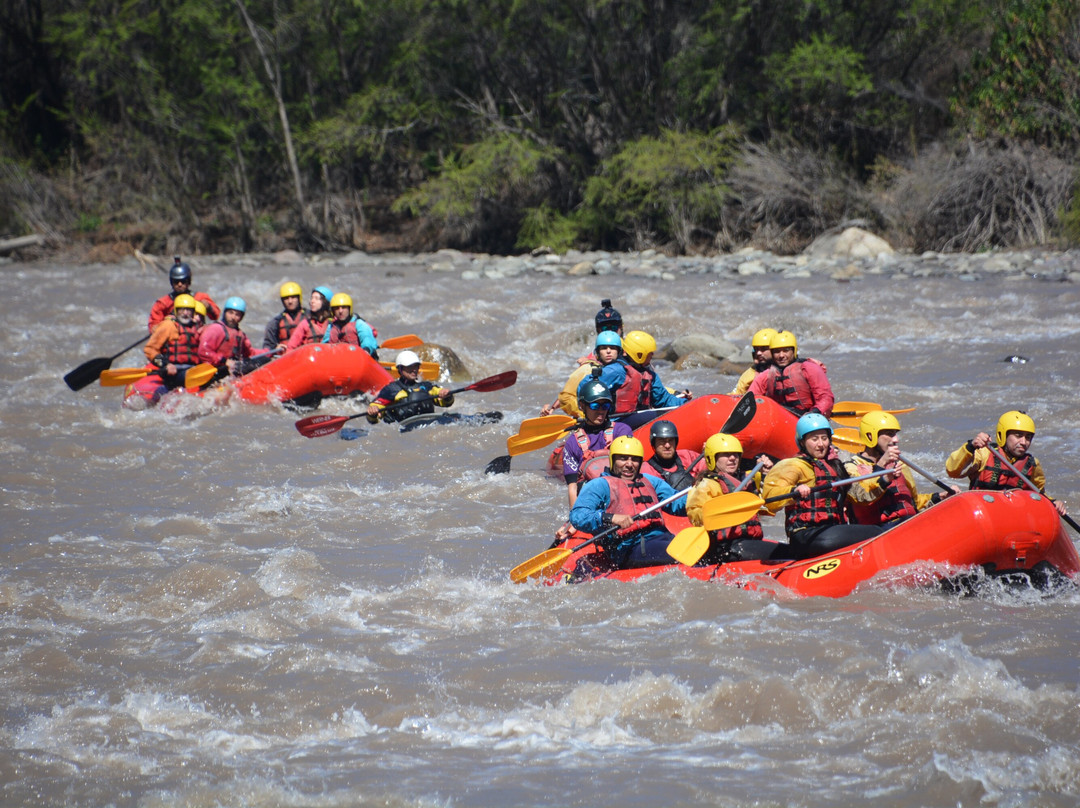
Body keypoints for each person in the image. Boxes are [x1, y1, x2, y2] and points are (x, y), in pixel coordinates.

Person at [760, 413, 884, 559]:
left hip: (832, 530)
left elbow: (859, 497)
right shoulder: (793, 465)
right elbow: (771, 497)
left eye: (824, 438)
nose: (821, 444)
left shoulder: (835, 466)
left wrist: (885, 480)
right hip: (805, 535)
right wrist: (794, 491)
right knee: (877, 533)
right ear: (802, 442)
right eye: (814, 439)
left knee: (878, 531)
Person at [567, 436, 688, 572]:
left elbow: (678, 502)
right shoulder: (599, 485)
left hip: (662, 537)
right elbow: (578, 516)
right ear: (613, 460)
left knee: (703, 548)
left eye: (635, 459)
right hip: (629, 547)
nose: (630, 464)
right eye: (623, 458)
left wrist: (700, 497)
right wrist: (611, 518)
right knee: (685, 554)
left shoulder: (650, 481)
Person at [844, 411, 958, 525]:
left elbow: (914, 503)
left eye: (895, 434)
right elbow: (862, 496)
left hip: (904, 525)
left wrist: (940, 497)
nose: (896, 439)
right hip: (875, 532)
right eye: (889, 434)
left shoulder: (899, 465)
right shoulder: (851, 467)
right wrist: (882, 463)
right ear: (870, 436)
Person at [946, 411, 1068, 515]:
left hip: (1010, 517)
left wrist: (1054, 503)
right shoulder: (984, 454)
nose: (1024, 442)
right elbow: (953, 470)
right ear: (1002, 435)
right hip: (981, 513)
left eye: (1028, 437)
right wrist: (971, 446)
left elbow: (1039, 494)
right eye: (1018, 436)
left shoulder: (1032, 464)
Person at [685, 433, 778, 563]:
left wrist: (768, 473)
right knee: (784, 552)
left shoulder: (747, 479)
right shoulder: (706, 485)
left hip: (747, 542)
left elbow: (772, 500)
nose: (732, 458)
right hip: (726, 548)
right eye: (726, 454)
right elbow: (696, 516)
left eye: (735, 454)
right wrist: (721, 510)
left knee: (787, 550)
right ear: (713, 458)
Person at [561, 376, 634, 508]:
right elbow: (572, 487)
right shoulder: (573, 443)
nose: (601, 411)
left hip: (621, 496)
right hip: (591, 503)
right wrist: (574, 519)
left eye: (605, 405)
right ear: (582, 406)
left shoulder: (622, 431)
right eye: (595, 405)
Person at [128, 294, 203, 406]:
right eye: (182, 310)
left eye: (189, 310)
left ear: (193, 312)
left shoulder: (197, 328)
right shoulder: (168, 326)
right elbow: (150, 349)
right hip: (173, 372)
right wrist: (165, 364)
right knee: (190, 376)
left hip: (193, 370)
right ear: (176, 311)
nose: (186, 313)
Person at [595, 330, 690, 417]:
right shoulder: (615, 371)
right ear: (639, 354)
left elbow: (664, 400)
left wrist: (686, 403)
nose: (652, 355)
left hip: (639, 420)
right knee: (653, 416)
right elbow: (588, 387)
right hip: (617, 421)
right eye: (650, 353)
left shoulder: (650, 375)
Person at [748, 330, 833, 417]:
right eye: (777, 351)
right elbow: (750, 399)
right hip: (781, 419)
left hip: (809, 418)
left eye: (786, 350)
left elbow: (825, 398)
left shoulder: (809, 369)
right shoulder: (767, 375)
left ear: (794, 351)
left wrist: (816, 412)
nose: (781, 355)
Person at [541, 331, 623, 417]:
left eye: (613, 348)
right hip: (591, 415)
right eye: (604, 348)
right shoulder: (587, 369)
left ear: (619, 351)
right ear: (598, 352)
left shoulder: (624, 367)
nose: (608, 351)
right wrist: (552, 407)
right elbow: (567, 395)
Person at [198, 296, 281, 380]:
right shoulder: (216, 329)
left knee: (264, 360)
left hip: (231, 369)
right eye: (230, 313)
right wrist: (224, 361)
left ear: (241, 317)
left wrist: (272, 351)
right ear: (225, 312)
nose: (233, 317)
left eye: (237, 314)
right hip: (215, 371)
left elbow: (250, 353)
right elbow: (204, 351)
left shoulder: (240, 334)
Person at [366, 350, 455, 424]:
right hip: (404, 429)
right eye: (410, 367)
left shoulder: (426, 386)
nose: (414, 370)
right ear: (400, 369)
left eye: (416, 366)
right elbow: (376, 408)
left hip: (429, 425)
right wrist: (373, 411)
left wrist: (447, 395)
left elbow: (445, 402)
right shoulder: (391, 389)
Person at [148, 258, 220, 332]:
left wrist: (209, 308)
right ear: (171, 283)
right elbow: (153, 325)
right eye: (176, 282)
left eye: (183, 281)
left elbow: (216, 316)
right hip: (175, 338)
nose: (179, 284)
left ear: (188, 282)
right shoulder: (163, 303)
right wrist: (157, 328)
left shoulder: (200, 297)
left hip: (196, 335)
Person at [644, 420, 705, 490]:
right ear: (653, 443)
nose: (667, 445)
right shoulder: (647, 470)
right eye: (662, 441)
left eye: (671, 440)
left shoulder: (687, 456)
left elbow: (710, 470)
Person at [324, 293, 378, 357]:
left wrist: (366, 350)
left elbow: (367, 339)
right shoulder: (331, 327)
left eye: (344, 307)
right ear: (333, 311)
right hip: (338, 360)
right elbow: (323, 345)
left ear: (349, 309)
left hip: (359, 359)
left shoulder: (359, 324)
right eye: (337, 308)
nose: (340, 311)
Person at [730, 328, 776, 395]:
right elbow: (734, 396)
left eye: (763, 349)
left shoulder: (789, 369)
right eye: (756, 349)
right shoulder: (750, 374)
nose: (758, 353)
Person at [263, 281, 307, 350]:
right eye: (286, 298)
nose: (290, 301)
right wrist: (275, 348)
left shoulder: (311, 318)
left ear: (299, 298)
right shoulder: (275, 323)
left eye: (293, 297)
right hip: (286, 357)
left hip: (307, 355)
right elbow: (268, 347)